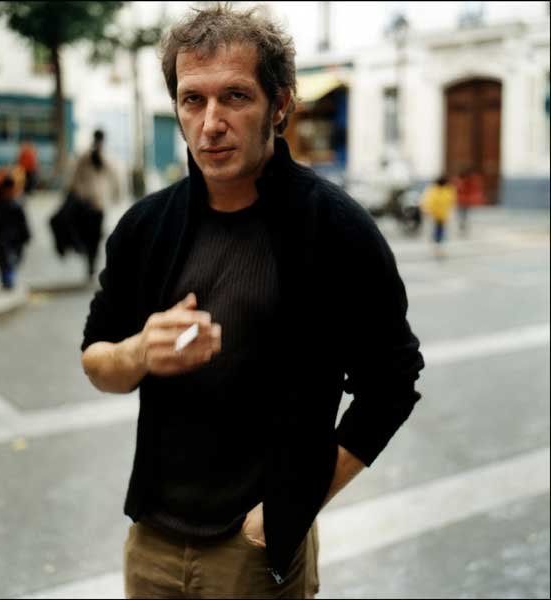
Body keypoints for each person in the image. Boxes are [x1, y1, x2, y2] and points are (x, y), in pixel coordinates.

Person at [80, 5, 424, 598]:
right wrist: (139, 353)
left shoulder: (333, 227)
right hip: (150, 540)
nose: (211, 123)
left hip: (254, 552)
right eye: (193, 100)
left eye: (235, 96)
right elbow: (96, 361)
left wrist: (287, 509)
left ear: (279, 104)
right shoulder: (145, 226)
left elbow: (392, 384)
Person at [65, 129, 120, 278]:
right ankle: (89, 260)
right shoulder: (85, 158)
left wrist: (116, 197)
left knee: (95, 236)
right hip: (85, 204)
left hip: (99, 205)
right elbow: (74, 179)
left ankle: (91, 262)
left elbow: (115, 180)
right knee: (87, 235)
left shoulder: (107, 159)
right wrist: (79, 194)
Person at [0, 164, 31, 290]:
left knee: (12, 260)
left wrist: (26, 235)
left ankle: (8, 278)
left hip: (15, 240)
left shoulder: (16, 205)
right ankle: (7, 279)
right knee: (5, 261)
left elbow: (23, 222)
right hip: (3, 240)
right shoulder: (1, 206)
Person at [420, 175, 457, 258]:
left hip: (441, 215)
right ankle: (437, 248)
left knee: (440, 232)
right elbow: (427, 202)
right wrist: (427, 211)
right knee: (438, 232)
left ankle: (438, 247)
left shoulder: (441, 190)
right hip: (435, 215)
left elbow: (451, 201)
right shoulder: (438, 190)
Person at [454, 167, 485, 235]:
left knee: (463, 215)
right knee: (463, 215)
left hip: (463, 201)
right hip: (463, 201)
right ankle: (463, 227)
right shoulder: (465, 181)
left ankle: (463, 227)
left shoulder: (462, 182)